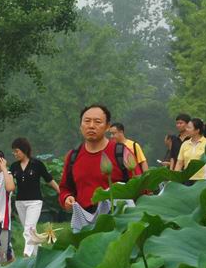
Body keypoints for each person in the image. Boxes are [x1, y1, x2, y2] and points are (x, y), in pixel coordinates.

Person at [59, 104, 142, 232]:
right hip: (84, 224)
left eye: (97, 122)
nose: (91, 126)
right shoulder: (73, 156)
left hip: (117, 223)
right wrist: (66, 198)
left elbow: (139, 186)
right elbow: (65, 188)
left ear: (108, 126)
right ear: (81, 125)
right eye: (87, 121)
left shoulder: (120, 152)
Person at [9, 138, 59, 257]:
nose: (15, 154)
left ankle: (27, 254)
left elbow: (48, 179)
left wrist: (60, 191)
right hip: (20, 202)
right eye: (13, 152)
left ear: (24, 150)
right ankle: (39, 256)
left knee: (28, 229)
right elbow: (9, 184)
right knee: (32, 231)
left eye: (17, 151)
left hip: (35, 201)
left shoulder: (37, 164)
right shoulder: (14, 166)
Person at [175, 118, 206, 182]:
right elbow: (179, 163)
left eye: (189, 128)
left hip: (203, 180)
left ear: (197, 130)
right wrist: (174, 179)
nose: (186, 130)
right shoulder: (185, 144)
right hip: (187, 179)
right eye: (186, 127)